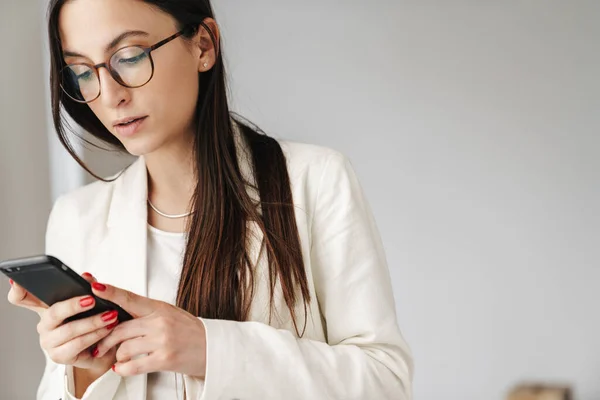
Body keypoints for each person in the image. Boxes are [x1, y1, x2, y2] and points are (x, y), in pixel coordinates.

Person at [7, 0, 413, 399]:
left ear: (203, 45)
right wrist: (86, 372)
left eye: (129, 57)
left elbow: (385, 382)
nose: (109, 95)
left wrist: (207, 348)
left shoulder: (315, 180)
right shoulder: (77, 217)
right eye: (81, 71)